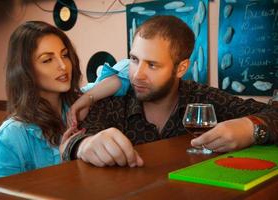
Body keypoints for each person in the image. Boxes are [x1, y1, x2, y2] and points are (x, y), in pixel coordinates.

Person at [63, 15, 278, 168]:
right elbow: (70, 143)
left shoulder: (203, 99)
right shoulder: (112, 102)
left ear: (181, 68)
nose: (137, 74)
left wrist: (250, 129)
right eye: (135, 60)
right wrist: (84, 146)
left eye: (153, 65)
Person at [0, 21, 128, 180]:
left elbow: (130, 69)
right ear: (25, 70)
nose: (63, 65)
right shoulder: (11, 135)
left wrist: (87, 98)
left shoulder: (82, 101)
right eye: (47, 60)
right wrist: (65, 160)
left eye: (64, 55)